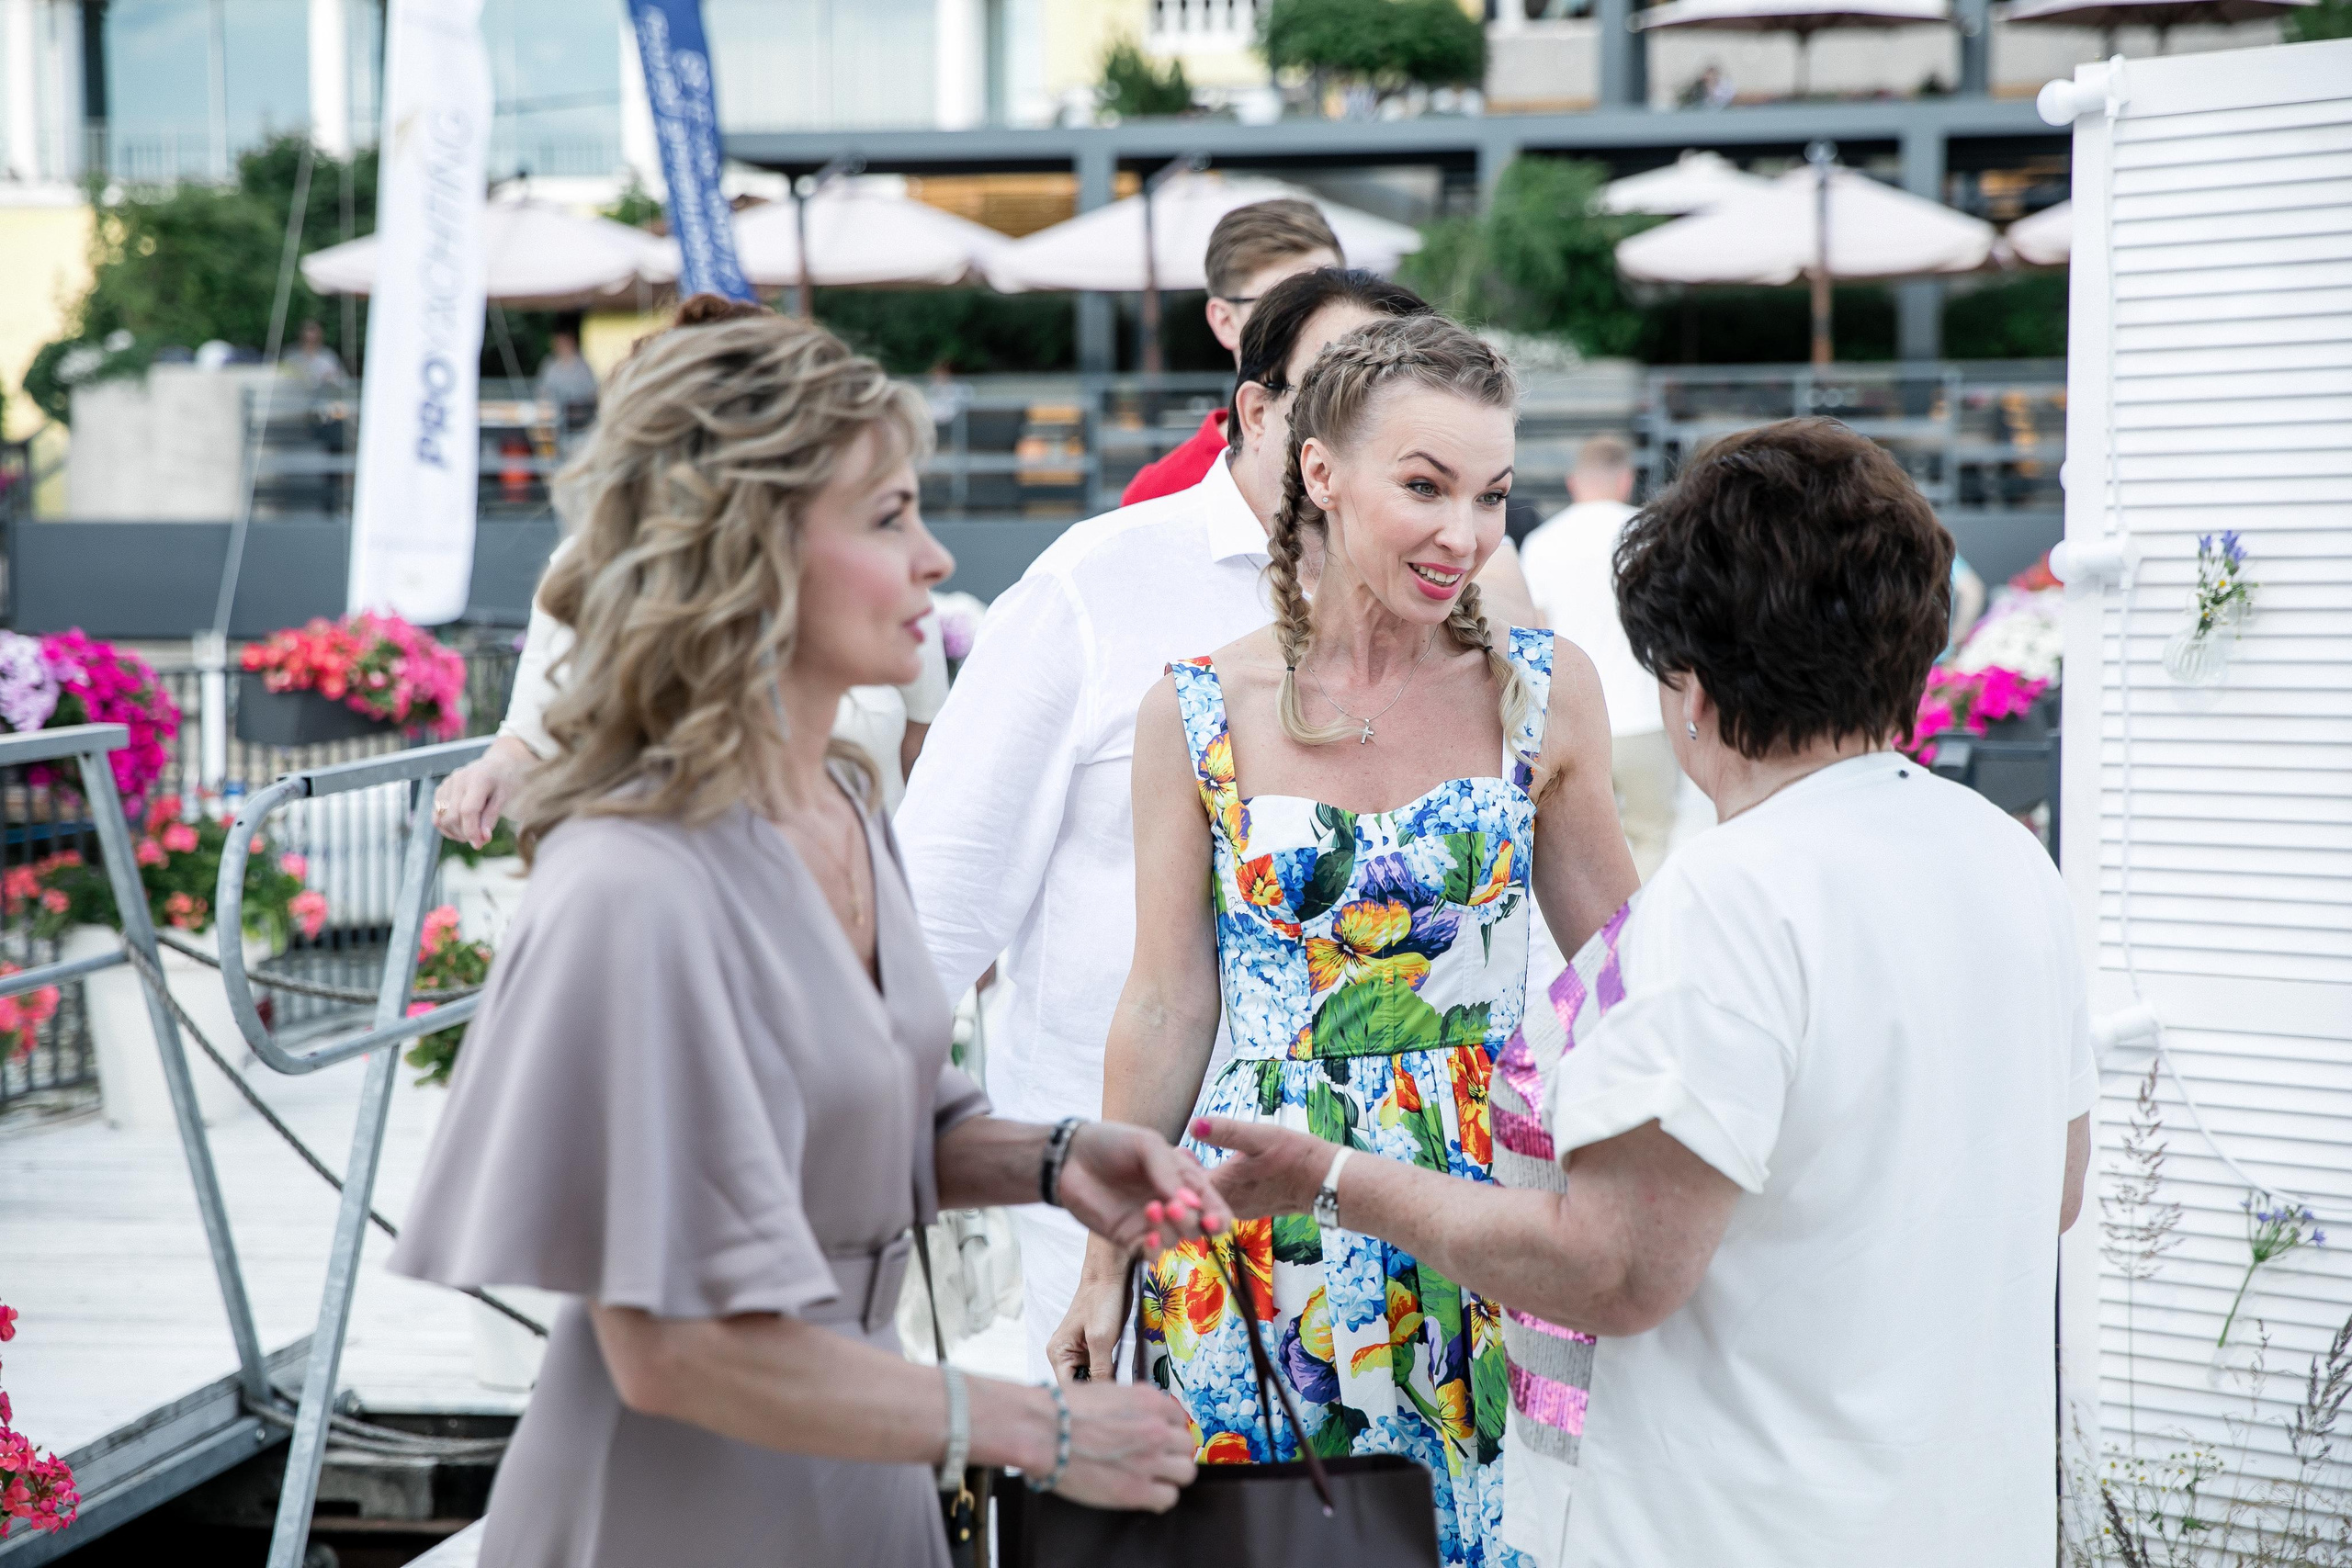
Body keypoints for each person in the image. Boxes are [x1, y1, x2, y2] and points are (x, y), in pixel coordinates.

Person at [388, 313, 1224, 1568]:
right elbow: (672, 1343)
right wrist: (1035, 1425)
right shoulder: (631, 880)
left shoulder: (842, 799)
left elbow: (866, 1121)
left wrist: (1057, 1156)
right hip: (672, 1512)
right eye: (889, 517)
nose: (936, 559)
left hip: (859, 1472)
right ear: (755, 550)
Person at [1193, 418, 2097, 1568]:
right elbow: (2054, 1186)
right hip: (1967, 1509)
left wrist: (1330, 1180)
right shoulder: (2003, 856)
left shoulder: (1727, 901)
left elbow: (1610, 1267)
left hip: (1739, 1518)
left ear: (1691, 687)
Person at [1059, 314, 1635, 1565]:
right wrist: (1105, 1261)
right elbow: (1165, 1008)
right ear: (1319, 471)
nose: (1463, 535)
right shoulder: (1197, 708)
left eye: (1489, 495)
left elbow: (1627, 988)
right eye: (1424, 486)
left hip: (1484, 1227)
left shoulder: (1547, 691)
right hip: (1257, 1229)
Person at [900, 267, 1530, 1380]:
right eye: (1334, 388)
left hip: (1448, 1206)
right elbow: (933, 921)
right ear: (1265, 415)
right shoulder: (1096, 590)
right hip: (1150, 1207)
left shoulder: (1485, 613)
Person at [433, 298, 948, 843]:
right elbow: (531, 740)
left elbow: (929, 750)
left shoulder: (874, 574)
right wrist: (488, 777)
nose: (935, 561)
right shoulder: (592, 571)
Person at [1518, 434, 1679, 879]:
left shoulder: (1543, 543)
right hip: (1645, 717)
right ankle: (1641, 943)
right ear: (1626, 480)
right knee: (1651, 840)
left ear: (1573, 482)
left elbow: (1535, 634)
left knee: (1578, 858)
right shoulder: (1653, 535)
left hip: (1571, 722)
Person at [1120, 198, 1339, 506]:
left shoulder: (1390, 455)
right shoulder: (1161, 492)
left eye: (1332, 297)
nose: (1315, 320)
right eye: (1281, 306)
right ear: (1224, 321)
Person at [535, 327, 601, 429]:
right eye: (557, 342)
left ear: (571, 342)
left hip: (580, 420)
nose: (560, 346)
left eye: (563, 342)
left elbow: (593, 392)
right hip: (555, 419)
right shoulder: (549, 365)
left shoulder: (583, 366)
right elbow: (542, 391)